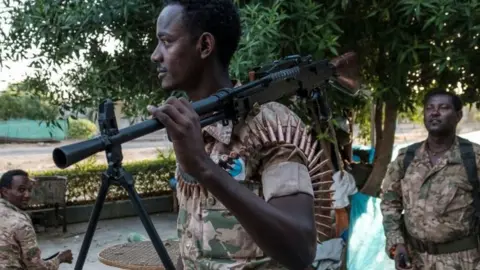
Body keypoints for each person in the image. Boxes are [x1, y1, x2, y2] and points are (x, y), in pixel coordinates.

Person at [147, 0, 317, 269]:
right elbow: (192, 240)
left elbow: (301, 248)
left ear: (204, 46)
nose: (156, 55)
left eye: (166, 41)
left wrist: (203, 167)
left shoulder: (270, 124)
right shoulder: (192, 127)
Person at [380, 89, 480, 270]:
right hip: (414, 260)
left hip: (463, 261)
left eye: (443, 108)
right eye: (429, 108)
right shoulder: (406, 157)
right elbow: (390, 203)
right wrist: (397, 244)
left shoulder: (473, 157)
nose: (434, 112)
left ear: (458, 115)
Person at [0, 169, 73, 269]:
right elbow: (36, 267)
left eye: (29, 190)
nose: (27, 195)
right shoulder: (21, 224)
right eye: (21, 190)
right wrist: (60, 259)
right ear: (5, 191)